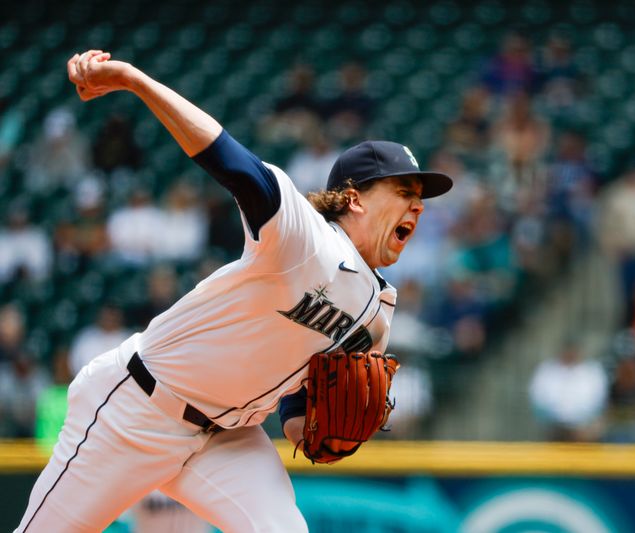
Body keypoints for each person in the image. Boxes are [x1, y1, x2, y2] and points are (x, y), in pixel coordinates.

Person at [16, 50, 452, 533]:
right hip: (138, 408)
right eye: (404, 193)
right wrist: (133, 80)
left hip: (228, 436)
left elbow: (298, 396)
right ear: (353, 198)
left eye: (420, 199)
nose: (417, 207)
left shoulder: (377, 317)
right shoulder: (302, 237)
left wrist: (311, 432)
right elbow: (228, 158)